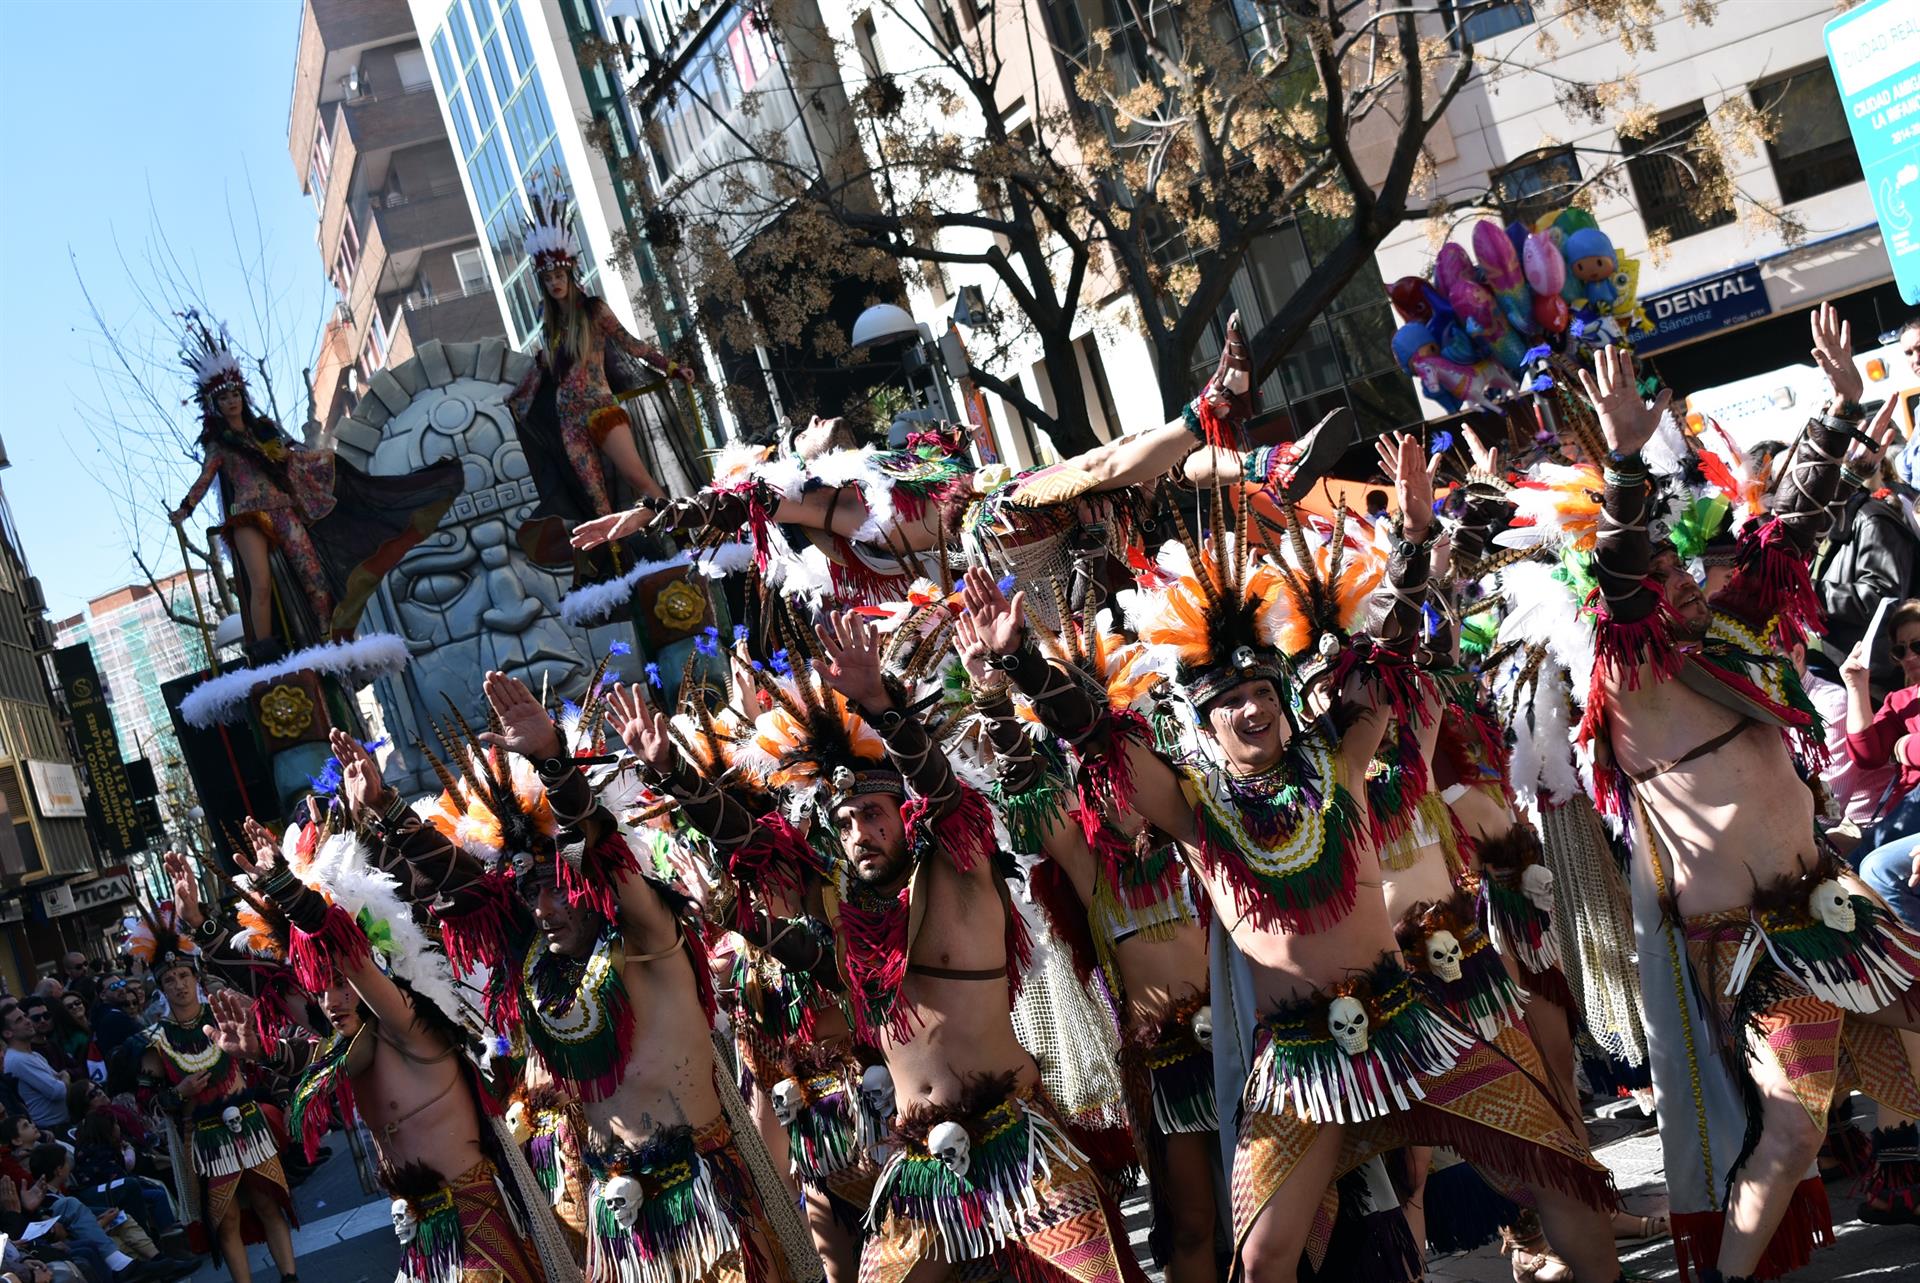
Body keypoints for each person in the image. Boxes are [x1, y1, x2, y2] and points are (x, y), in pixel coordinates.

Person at [960, 428, 1622, 1282]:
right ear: (1204, 724)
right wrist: (1018, 661)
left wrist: (1416, 543)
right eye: (1227, 702)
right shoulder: (1193, 808)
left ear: (1283, 697)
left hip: (1413, 1022)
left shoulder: (1338, 756)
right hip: (1300, 1063)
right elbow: (1100, 738)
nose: (1248, 711)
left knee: (1555, 1175)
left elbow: (1384, 656)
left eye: (1261, 693)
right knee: (1263, 1256)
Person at [620, 615, 1149, 1283]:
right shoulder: (850, 928)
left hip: (1019, 1143)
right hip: (918, 1165)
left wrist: (881, 709)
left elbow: (943, 790)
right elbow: (749, 849)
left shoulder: (959, 868)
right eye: (843, 822)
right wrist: (674, 774)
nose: (859, 832)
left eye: (873, 814)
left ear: (905, 815)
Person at [1580, 311, 1920, 1280]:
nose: (1678, 578)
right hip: (1754, 948)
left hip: (1836, 899)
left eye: (1682, 564)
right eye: (1659, 571)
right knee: (1792, 1137)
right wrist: (1626, 463)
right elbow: (1617, 572)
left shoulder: (1726, 636)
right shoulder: (1633, 673)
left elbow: (1792, 531)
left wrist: (1843, 409)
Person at [331, 673, 800, 1283]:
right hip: (617, 1231)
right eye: (531, 892)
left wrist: (555, 764)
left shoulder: (648, 940)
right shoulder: (540, 967)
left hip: (707, 1213)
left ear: (590, 887)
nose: (544, 907)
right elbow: (469, 894)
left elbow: (606, 851)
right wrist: (389, 810)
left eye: (557, 888)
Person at [213, 822, 550, 1283]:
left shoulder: (411, 1028)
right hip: (421, 1241)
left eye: (340, 986)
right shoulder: (351, 1046)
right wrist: (263, 1051)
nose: (330, 1001)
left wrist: (287, 891)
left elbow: (353, 958)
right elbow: (299, 1034)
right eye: (321, 989)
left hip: (476, 1233)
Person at [169, 310, 464, 657]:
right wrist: (185, 510)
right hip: (247, 518)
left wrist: (321, 459)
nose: (231, 401)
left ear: (241, 396)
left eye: (235, 394)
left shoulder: (263, 430)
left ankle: (328, 638)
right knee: (260, 584)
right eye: (223, 398)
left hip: (283, 508)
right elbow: (205, 479)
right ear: (214, 405)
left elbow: (293, 454)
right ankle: (262, 654)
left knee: (314, 575)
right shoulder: (219, 445)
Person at [505, 190, 691, 525]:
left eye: (558, 276)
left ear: (570, 273)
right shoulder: (549, 329)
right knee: (599, 503)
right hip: (569, 421)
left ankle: (686, 528)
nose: (554, 283)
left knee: (638, 478)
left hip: (601, 411)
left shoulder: (593, 311)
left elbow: (632, 344)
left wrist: (672, 366)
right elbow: (540, 373)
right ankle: (622, 566)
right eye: (547, 279)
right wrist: (515, 402)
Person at [134, 926, 297, 1283]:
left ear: (195, 976)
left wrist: (285, 1100)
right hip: (205, 1138)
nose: (178, 985)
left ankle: (290, 1278)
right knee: (227, 1222)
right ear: (161, 988)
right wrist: (180, 1092)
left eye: (183, 975)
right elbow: (146, 1103)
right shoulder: (156, 1041)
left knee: (269, 1204)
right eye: (170, 980)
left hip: (250, 1124)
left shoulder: (222, 1013)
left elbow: (261, 1058)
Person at [1842, 598, 1920, 927]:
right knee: (1844, 873)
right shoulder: (1900, 700)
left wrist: (1905, 748)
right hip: (1904, 813)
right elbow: (1867, 755)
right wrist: (1856, 686)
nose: (1910, 656)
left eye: (1918, 644)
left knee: (1875, 869)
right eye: (1900, 650)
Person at [5, 1003, 70, 1129]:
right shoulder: (18, 1060)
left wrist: (61, 1080)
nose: (28, 1021)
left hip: (61, 1124)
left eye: (24, 1016)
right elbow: (58, 1091)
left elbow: (57, 1081)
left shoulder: (33, 1055)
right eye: (19, 1020)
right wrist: (66, 1077)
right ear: (7, 1033)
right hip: (52, 1129)